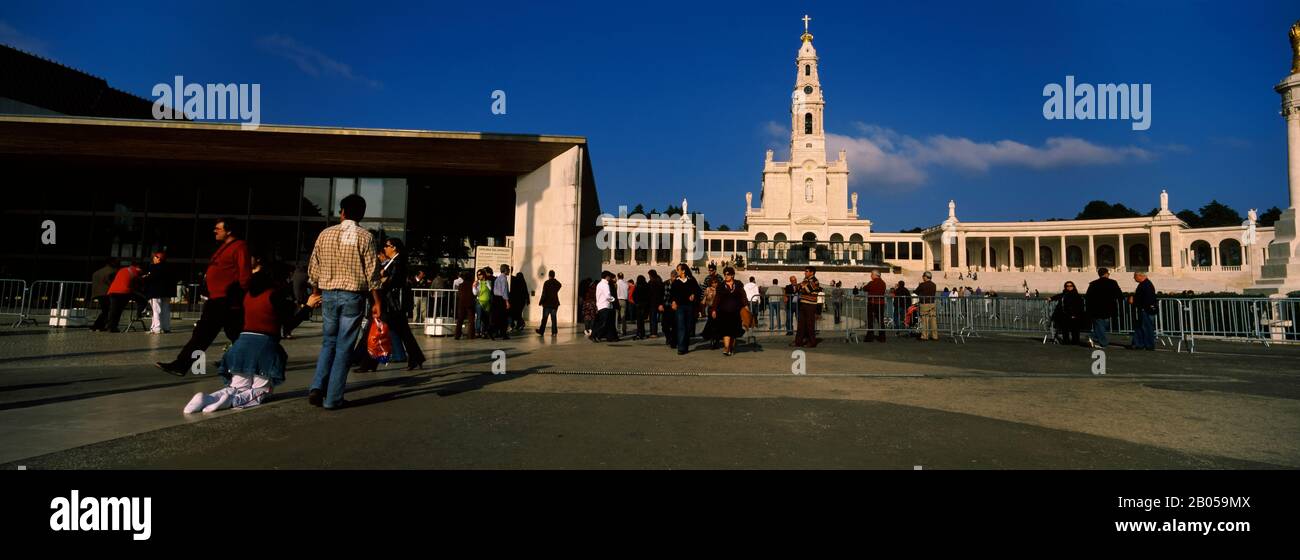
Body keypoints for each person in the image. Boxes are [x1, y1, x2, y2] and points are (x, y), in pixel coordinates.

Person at [184, 252, 319, 413]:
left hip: (242, 344)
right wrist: (308, 307)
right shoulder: (275, 294)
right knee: (260, 391)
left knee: (237, 385)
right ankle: (232, 401)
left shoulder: (246, 294)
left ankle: (209, 398)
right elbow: (288, 325)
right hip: (265, 346)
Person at [305, 194, 382, 411]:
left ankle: (317, 386)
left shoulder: (325, 234)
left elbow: (314, 268)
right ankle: (333, 398)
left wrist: (315, 292)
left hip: (328, 294)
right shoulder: (365, 237)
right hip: (353, 296)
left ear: (342, 212)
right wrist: (377, 302)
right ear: (362, 214)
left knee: (328, 342)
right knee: (344, 347)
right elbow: (372, 274)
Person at [156, 219, 250, 375]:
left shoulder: (239, 247)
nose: (215, 231)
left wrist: (239, 296)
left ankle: (181, 365)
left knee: (204, 334)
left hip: (225, 299)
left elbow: (244, 276)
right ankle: (242, 361)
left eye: (218, 229)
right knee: (234, 334)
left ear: (229, 231)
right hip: (218, 299)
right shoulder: (224, 248)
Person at [355, 238, 425, 371]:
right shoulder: (394, 262)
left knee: (375, 330)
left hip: (391, 303)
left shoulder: (397, 262)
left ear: (394, 248)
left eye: (387, 246)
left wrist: (381, 278)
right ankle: (416, 357)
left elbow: (392, 281)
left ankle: (368, 363)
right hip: (392, 304)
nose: (385, 248)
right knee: (403, 332)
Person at [710, 267, 747, 356]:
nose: (726, 276)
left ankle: (731, 348)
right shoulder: (721, 285)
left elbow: (743, 296)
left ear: (733, 275)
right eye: (725, 274)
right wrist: (714, 309)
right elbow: (717, 299)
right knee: (726, 330)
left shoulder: (738, 284)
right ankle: (726, 348)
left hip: (736, 312)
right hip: (724, 312)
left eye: (728, 274)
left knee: (733, 332)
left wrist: (746, 306)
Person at [1085, 267, 1122, 348]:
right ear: (1106, 274)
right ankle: (1103, 342)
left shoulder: (1093, 283)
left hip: (1096, 308)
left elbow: (1088, 297)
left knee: (1100, 325)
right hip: (1108, 307)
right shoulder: (1112, 283)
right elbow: (1119, 294)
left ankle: (1092, 337)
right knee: (1103, 325)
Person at [104, 260, 143, 332]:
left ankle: (110, 326)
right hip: (124, 292)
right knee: (142, 300)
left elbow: (111, 276)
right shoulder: (135, 271)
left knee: (113, 309)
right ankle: (139, 314)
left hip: (113, 291)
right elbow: (137, 283)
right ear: (137, 267)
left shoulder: (122, 269)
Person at [669, 264, 699, 354]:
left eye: (678, 269)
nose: (677, 271)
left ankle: (685, 345)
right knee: (681, 326)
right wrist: (673, 302)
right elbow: (672, 294)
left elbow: (698, 290)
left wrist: (694, 295)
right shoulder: (676, 282)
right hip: (680, 307)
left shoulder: (691, 281)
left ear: (683, 271)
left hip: (689, 306)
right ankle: (681, 348)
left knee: (688, 326)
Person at [142, 252, 173, 334]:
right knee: (166, 310)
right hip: (167, 292)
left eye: (154, 258)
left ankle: (157, 328)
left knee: (156, 310)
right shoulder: (169, 268)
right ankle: (166, 327)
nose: (153, 259)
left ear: (158, 258)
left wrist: (146, 277)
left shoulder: (154, 267)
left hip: (156, 292)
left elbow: (151, 278)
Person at [1049, 281, 1087, 345]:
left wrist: (1076, 314)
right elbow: (1058, 296)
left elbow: (1080, 306)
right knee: (1065, 329)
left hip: (1075, 314)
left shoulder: (1077, 295)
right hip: (1065, 314)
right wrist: (1051, 298)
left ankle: (1075, 341)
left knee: (1075, 330)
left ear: (1073, 286)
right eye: (1067, 286)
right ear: (1065, 287)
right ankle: (1066, 341)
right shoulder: (1064, 294)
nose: (1069, 287)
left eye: (1070, 286)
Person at [793, 266, 821, 348]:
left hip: (810, 304)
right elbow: (798, 288)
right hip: (803, 303)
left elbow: (806, 290)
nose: (805, 273)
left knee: (810, 324)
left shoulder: (815, 281)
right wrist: (801, 287)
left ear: (812, 272)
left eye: (806, 271)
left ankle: (812, 342)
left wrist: (801, 286)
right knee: (801, 324)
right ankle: (798, 341)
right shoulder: (806, 280)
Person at [1130, 272, 1157, 351]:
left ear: (1140, 276)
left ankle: (1148, 345)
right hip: (1145, 309)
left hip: (1146, 310)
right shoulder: (1145, 284)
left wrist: (1134, 301)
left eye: (1135, 276)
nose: (1134, 278)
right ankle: (1139, 344)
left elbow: (1145, 299)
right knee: (1141, 327)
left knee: (1147, 328)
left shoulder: (1146, 285)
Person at [89, 258, 117, 331]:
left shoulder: (97, 272)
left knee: (105, 310)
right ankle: (99, 325)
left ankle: (98, 325)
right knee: (107, 310)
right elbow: (112, 283)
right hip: (106, 293)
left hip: (97, 293)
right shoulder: (112, 271)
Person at [593, 271, 618, 342]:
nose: (610, 278)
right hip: (605, 305)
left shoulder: (599, 284)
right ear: (607, 277)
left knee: (603, 323)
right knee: (603, 323)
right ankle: (594, 335)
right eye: (609, 276)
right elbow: (607, 296)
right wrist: (613, 299)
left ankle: (597, 336)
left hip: (601, 305)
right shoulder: (605, 285)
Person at [536, 270, 561, 336]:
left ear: (549, 275)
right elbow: (560, 284)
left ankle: (541, 331)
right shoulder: (556, 283)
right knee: (554, 318)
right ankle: (554, 332)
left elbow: (544, 293)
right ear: (554, 275)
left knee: (544, 319)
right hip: (554, 303)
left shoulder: (546, 283)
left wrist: (541, 302)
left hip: (547, 304)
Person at [915, 272, 939, 341]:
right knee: (933, 321)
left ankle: (924, 336)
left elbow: (916, 292)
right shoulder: (934, 285)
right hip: (932, 303)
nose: (922, 277)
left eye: (923, 276)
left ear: (925, 277)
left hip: (924, 304)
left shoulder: (922, 284)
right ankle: (935, 336)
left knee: (925, 321)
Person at [864, 272, 887, 342]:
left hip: (872, 303)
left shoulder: (872, 283)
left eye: (871, 274)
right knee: (880, 320)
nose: (871, 276)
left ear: (875, 275)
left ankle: (870, 336)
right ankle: (882, 337)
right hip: (881, 304)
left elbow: (865, 288)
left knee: (870, 320)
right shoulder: (883, 283)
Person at [491, 264, 512, 339]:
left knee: (497, 317)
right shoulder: (503, 278)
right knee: (503, 317)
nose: (509, 271)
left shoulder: (498, 278)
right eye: (508, 269)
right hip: (501, 299)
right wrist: (507, 301)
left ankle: (495, 333)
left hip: (496, 298)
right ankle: (503, 334)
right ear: (505, 270)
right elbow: (504, 291)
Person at [455, 270, 476, 340]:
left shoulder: (461, 285)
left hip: (461, 303)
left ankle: (457, 335)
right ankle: (470, 335)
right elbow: (474, 293)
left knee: (460, 320)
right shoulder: (472, 284)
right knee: (471, 320)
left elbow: (458, 295)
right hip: (470, 303)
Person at [660, 269, 677, 348]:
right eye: (673, 276)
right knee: (664, 325)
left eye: (675, 277)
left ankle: (672, 340)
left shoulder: (678, 284)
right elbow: (661, 295)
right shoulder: (665, 283)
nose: (674, 278)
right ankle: (668, 337)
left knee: (674, 325)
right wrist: (660, 304)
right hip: (666, 307)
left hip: (674, 308)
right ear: (671, 276)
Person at [476, 268, 495, 338]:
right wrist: (474, 286)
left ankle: (483, 332)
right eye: (478, 275)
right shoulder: (477, 283)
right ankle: (477, 332)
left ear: (483, 275)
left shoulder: (488, 282)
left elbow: (490, 290)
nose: (479, 276)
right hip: (480, 302)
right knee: (479, 317)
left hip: (487, 302)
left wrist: (487, 283)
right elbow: (475, 293)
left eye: (480, 274)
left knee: (485, 319)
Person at [646, 270, 664, 338]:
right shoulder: (659, 281)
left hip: (653, 303)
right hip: (659, 302)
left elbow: (648, 293)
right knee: (655, 318)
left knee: (653, 318)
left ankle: (653, 333)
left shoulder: (652, 282)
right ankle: (654, 332)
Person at [633, 274, 650, 339]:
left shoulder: (637, 287)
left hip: (638, 305)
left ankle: (638, 333)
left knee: (639, 320)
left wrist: (636, 302)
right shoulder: (646, 286)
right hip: (644, 305)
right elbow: (648, 296)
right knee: (642, 321)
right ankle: (642, 333)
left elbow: (634, 296)